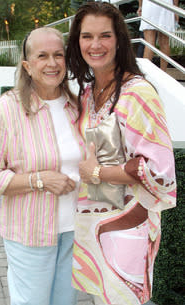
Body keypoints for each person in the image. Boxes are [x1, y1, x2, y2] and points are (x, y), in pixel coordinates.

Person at [66, 2, 176, 305]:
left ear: (119, 40)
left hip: (128, 222)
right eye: (87, 36)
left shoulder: (138, 92)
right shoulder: (87, 94)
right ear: (77, 41)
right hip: (92, 224)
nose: (95, 44)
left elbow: (161, 169)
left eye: (105, 35)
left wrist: (98, 173)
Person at [0, 26, 86, 305]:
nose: (52, 63)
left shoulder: (77, 106)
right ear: (27, 65)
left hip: (74, 230)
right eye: (42, 56)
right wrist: (39, 180)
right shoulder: (8, 107)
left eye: (58, 55)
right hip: (30, 233)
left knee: (64, 302)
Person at [137, 0, 179, 71]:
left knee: (149, 42)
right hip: (166, 4)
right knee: (164, 42)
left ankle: (145, 73)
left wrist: (140, 6)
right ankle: (163, 72)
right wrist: (175, 8)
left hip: (150, 4)